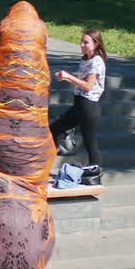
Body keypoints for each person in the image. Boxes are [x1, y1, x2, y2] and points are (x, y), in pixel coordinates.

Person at [50, 29, 107, 167]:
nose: (82, 45)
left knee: (90, 143)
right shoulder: (85, 59)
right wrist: (66, 78)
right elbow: (82, 83)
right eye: (81, 42)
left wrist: (69, 77)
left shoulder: (97, 61)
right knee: (55, 128)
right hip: (79, 104)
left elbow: (88, 86)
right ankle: (47, 161)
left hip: (89, 106)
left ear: (96, 43)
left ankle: (95, 174)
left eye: (85, 42)